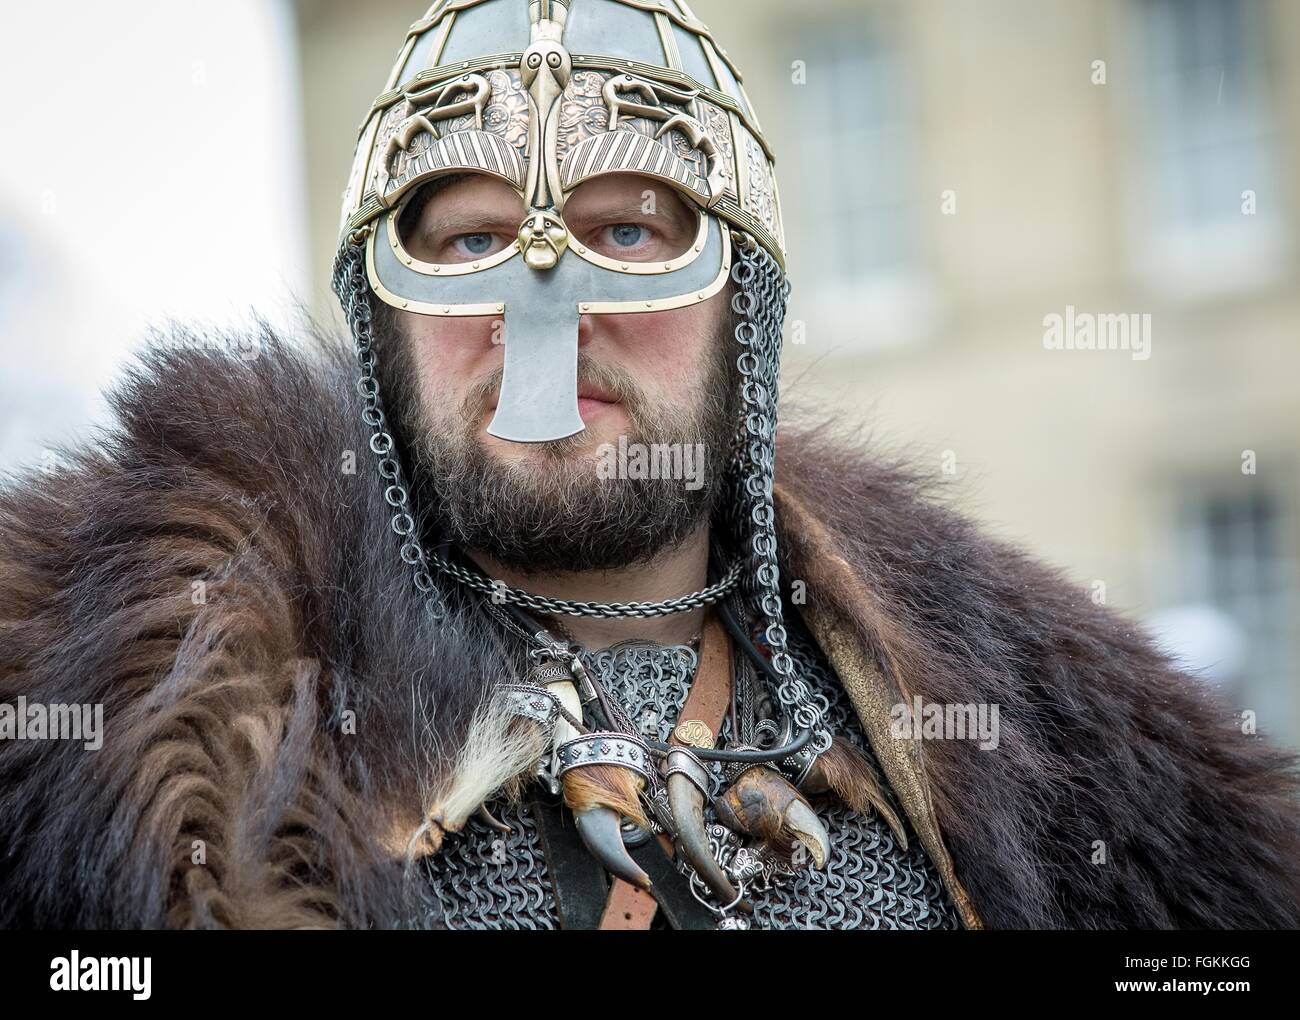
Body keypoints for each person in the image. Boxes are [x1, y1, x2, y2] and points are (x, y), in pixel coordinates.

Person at [1, 0, 1296, 930]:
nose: (544, 305)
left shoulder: (1027, 760)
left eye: (628, 228)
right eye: (465, 245)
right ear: (381, 322)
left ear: (748, 311)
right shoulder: (116, 721)